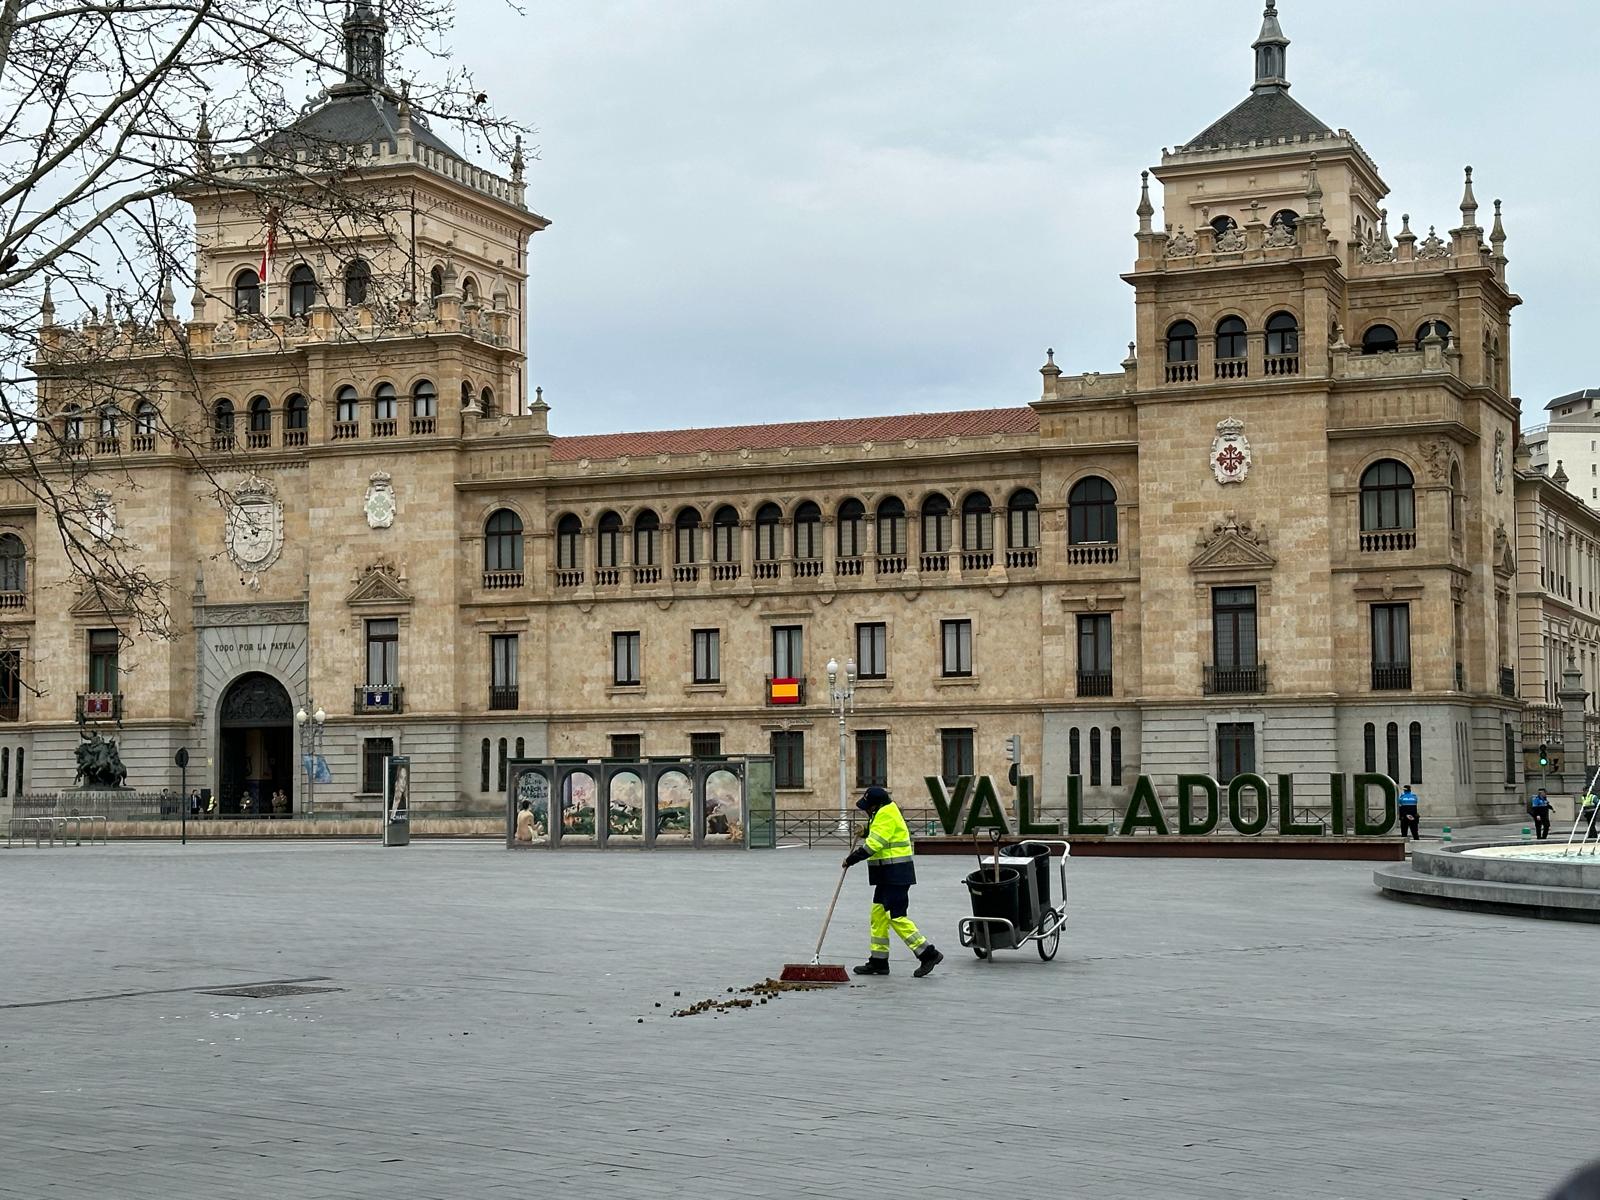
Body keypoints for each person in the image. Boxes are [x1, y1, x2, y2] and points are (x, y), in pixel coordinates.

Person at [842, 786, 942, 978]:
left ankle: (929, 954)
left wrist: (851, 859)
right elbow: (879, 831)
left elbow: (874, 845)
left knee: (895, 916)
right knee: (878, 915)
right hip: (886, 875)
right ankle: (878, 962)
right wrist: (865, 830)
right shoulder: (884, 811)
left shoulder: (886, 814)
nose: (866, 810)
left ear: (876, 805)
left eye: (868, 807)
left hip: (896, 874)